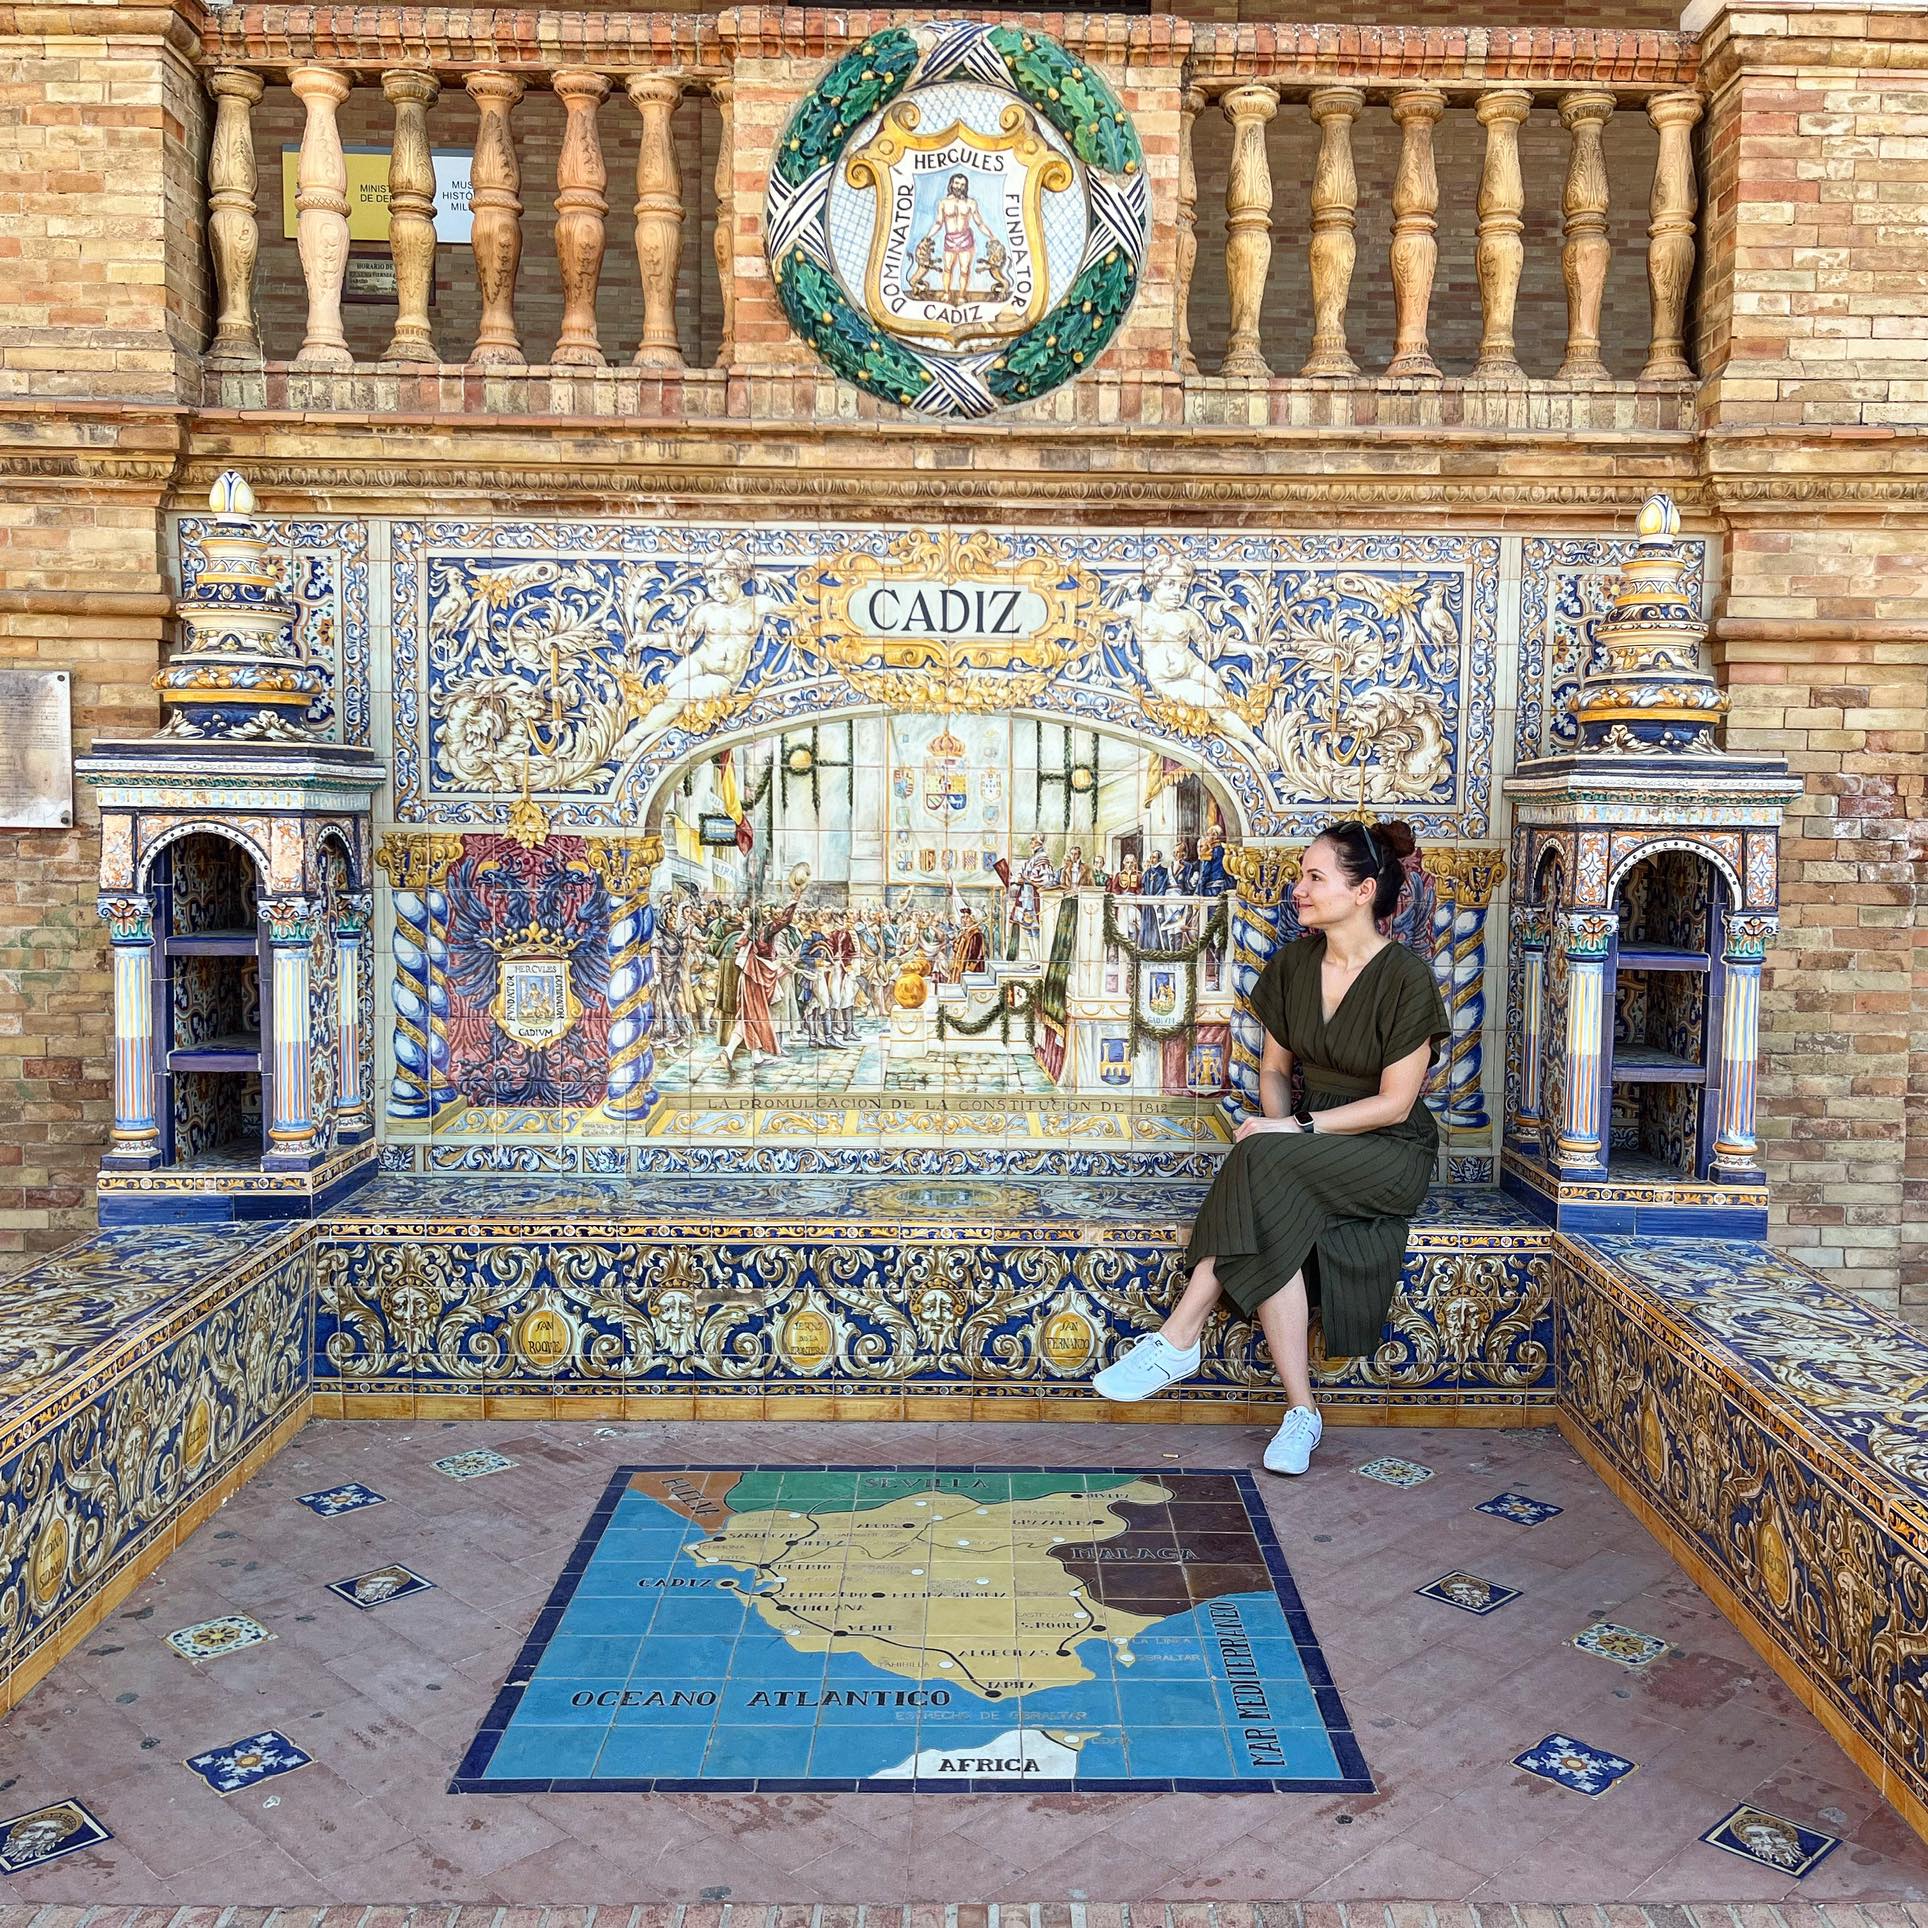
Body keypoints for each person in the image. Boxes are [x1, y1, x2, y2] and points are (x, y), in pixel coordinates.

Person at [1091, 820, 1448, 1477]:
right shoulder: (1294, 965)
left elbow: (1396, 1102)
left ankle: (1180, 1335)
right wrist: (1289, 1133)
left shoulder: (1406, 980)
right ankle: (1301, 1413)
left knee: (1262, 1161)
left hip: (1389, 1150)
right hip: (1310, 1143)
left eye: (1315, 877)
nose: (1299, 888)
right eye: (1300, 875)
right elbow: (1276, 1073)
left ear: (1363, 890)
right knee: (1272, 1190)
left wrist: (1292, 1135)